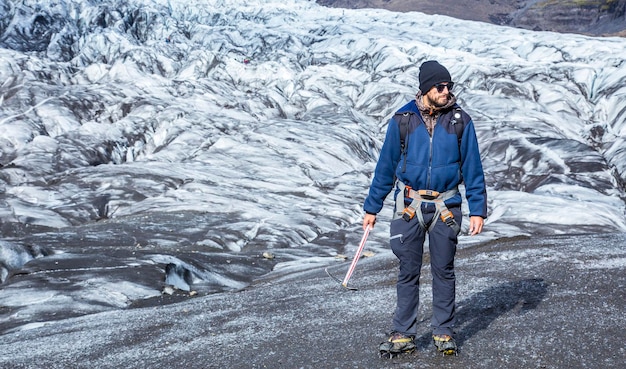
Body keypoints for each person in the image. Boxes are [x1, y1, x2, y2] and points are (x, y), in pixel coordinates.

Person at [362, 60, 487, 357]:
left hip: (447, 205)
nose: (447, 92)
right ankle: (404, 333)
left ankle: (443, 332)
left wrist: (478, 209)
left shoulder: (460, 121)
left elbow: (473, 168)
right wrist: (372, 207)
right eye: (440, 87)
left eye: (449, 87)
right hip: (409, 204)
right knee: (408, 271)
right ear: (426, 89)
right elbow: (386, 167)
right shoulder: (403, 120)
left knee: (444, 270)